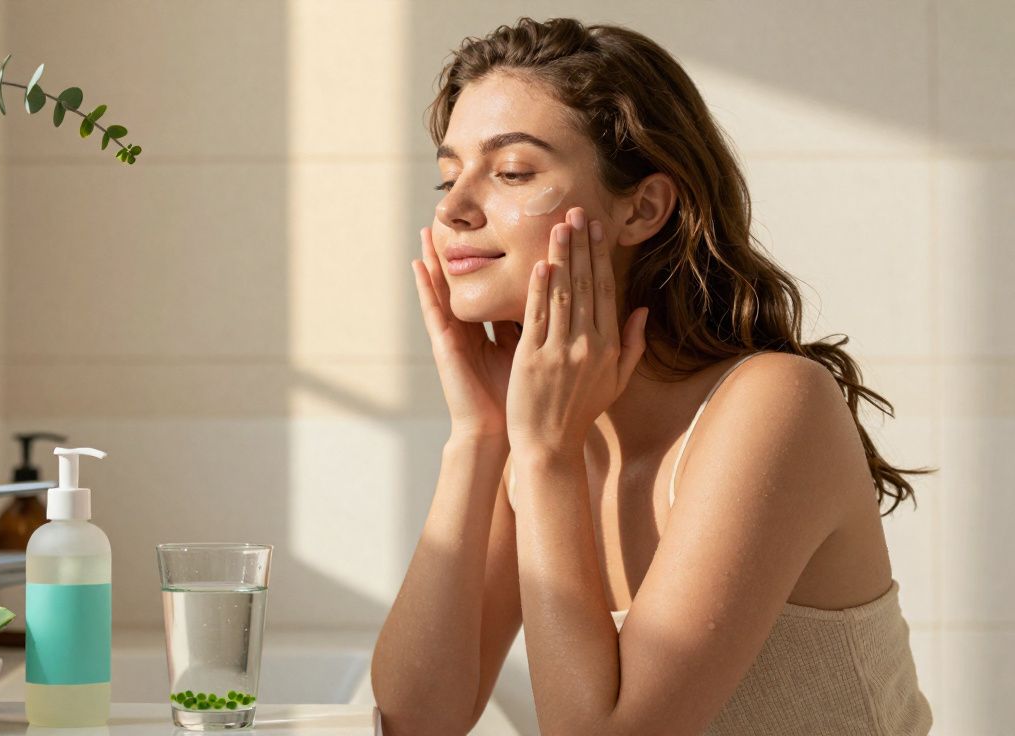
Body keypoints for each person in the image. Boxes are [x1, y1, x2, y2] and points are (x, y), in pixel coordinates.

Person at [371, 16, 935, 736]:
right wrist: (478, 437)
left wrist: (543, 457)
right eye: (448, 175)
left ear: (642, 208)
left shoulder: (774, 403)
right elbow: (411, 721)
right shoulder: (541, 432)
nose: (453, 208)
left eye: (512, 172)